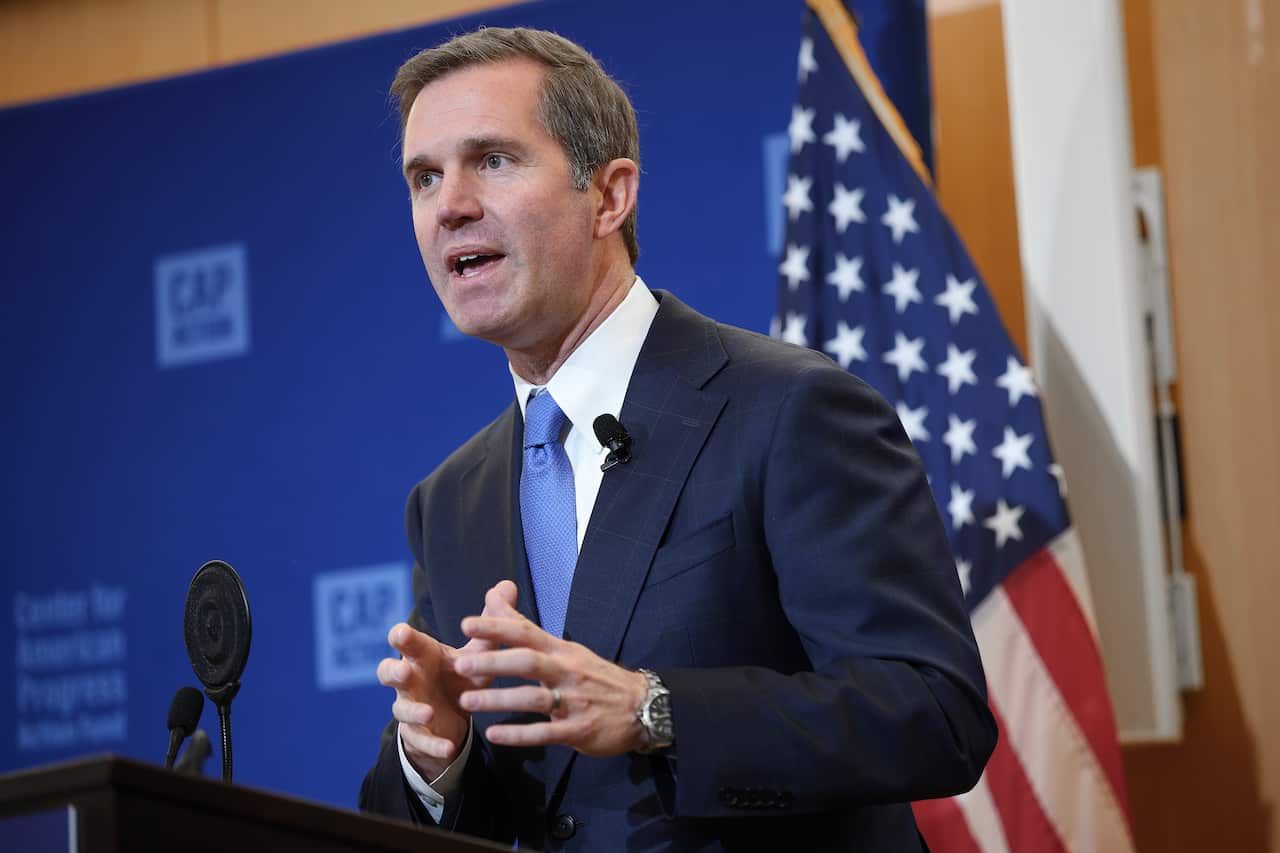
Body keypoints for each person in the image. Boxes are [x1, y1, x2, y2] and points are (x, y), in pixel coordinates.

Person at [359, 26, 996, 852]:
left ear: (610, 195)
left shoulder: (787, 408)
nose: (450, 205)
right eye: (424, 177)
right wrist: (432, 755)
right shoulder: (451, 500)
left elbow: (933, 712)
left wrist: (654, 708)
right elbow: (477, 812)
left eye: (494, 160)